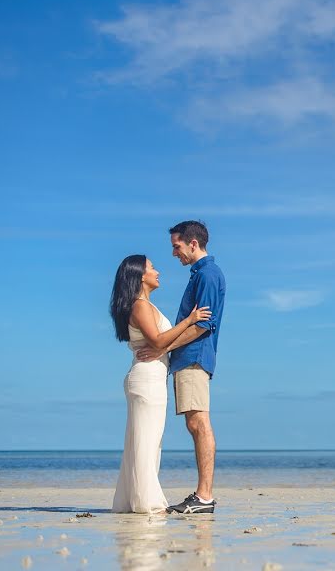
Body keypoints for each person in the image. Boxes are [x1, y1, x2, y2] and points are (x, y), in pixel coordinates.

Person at [110, 255, 211, 513]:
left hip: (151, 378)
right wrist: (189, 320)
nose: (158, 271)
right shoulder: (139, 306)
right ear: (140, 275)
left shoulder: (145, 305)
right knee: (147, 441)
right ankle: (148, 503)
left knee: (146, 441)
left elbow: (158, 342)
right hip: (146, 380)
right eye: (152, 267)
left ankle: (136, 500)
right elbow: (156, 341)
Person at [137, 220, 226, 514]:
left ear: (193, 243)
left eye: (176, 247)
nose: (174, 253)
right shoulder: (198, 275)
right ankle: (203, 496)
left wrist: (163, 346)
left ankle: (204, 497)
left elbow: (203, 326)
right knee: (194, 423)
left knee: (199, 422)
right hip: (189, 358)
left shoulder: (209, 275)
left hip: (195, 356)